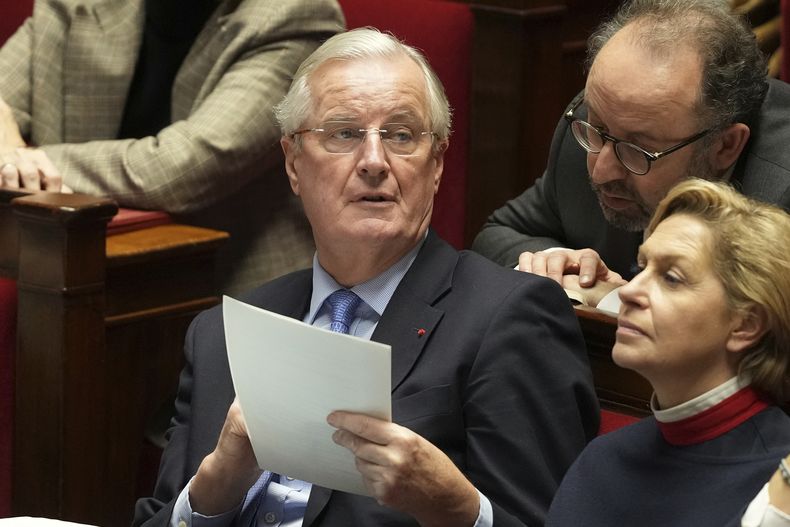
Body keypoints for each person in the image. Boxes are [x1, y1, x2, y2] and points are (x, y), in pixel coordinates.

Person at [133, 28, 599, 527]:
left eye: (401, 135)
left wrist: (454, 507)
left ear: (437, 163)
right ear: (293, 163)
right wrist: (212, 492)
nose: (375, 162)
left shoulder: (510, 317)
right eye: (344, 133)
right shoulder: (220, 334)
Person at [0, 0, 344, 294]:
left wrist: (27, 162)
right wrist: (13, 155)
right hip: (72, 272)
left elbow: (179, 168)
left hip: (224, 292)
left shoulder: (293, 16)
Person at [471, 0, 790, 309]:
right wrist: (556, 259)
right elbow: (499, 235)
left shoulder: (781, 193)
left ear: (725, 146)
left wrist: (615, 299)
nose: (600, 171)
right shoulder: (595, 127)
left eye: (637, 149)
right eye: (597, 128)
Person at [545, 179, 790, 527]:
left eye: (671, 278)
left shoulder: (780, 485)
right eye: (640, 269)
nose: (630, 293)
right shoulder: (602, 460)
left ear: (746, 325)